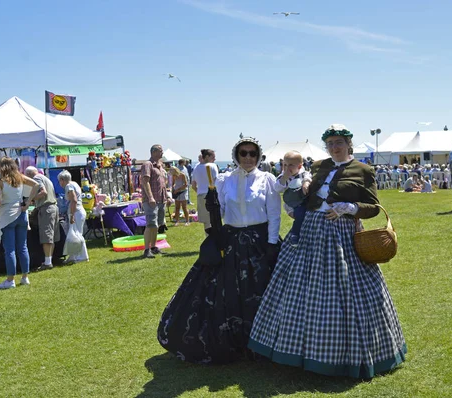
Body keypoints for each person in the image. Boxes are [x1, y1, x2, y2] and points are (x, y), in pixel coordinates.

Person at [248, 124, 406, 378]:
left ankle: (339, 356)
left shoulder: (363, 170)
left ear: (348, 144)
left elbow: (373, 206)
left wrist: (348, 207)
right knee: (297, 287)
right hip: (309, 230)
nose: (334, 147)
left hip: (341, 233)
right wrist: (295, 205)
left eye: (339, 143)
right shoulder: (319, 166)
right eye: (330, 143)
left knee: (343, 289)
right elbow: (304, 191)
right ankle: (294, 349)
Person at [157, 137, 281, 364]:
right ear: (236, 155)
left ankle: (264, 343)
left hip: (260, 242)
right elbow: (221, 213)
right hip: (232, 241)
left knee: (262, 290)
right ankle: (234, 341)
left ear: (258, 155)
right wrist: (213, 206)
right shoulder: (225, 180)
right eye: (243, 153)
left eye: (252, 153)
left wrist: (272, 244)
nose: (248, 158)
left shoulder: (268, 180)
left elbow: (274, 214)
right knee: (231, 291)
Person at [0, 157, 39, 289]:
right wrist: (28, 202)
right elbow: (36, 184)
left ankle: (10, 280)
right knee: (23, 247)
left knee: (10, 250)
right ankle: (25, 277)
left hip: (8, 215)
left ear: (2, 167)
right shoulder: (20, 177)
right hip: (21, 213)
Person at [24, 166, 60, 271]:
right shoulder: (46, 178)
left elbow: (43, 192)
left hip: (46, 208)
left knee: (46, 235)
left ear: (29, 175)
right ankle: (49, 260)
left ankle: (48, 262)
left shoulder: (36, 179)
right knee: (51, 236)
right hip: (53, 207)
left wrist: (31, 199)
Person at [275, 150, 311, 246]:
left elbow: (308, 176)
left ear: (299, 166)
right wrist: (284, 178)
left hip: (305, 200)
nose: (287, 168)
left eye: (291, 165)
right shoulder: (283, 177)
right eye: (285, 165)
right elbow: (277, 188)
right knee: (299, 215)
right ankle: (295, 233)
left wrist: (306, 182)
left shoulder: (303, 174)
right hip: (293, 204)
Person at [140, 144, 168, 258]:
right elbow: (145, 182)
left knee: (157, 225)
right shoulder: (148, 164)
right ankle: (146, 249)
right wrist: (150, 197)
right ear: (154, 152)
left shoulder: (160, 166)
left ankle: (153, 247)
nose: (162, 153)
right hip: (151, 200)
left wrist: (166, 197)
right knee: (151, 224)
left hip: (161, 199)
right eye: (160, 151)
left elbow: (162, 184)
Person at [57, 170, 89, 264]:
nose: (59, 183)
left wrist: (71, 215)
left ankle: (83, 256)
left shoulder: (69, 186)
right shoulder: (75, 183)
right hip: (79, 211)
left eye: (59, 181)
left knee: (77, 235)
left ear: (62, 180)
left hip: (76, 212)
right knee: (74, 234)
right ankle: (73, 256)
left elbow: (74, 200)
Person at [191, 149, 218, 231]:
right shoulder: (213, 166)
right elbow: (217, 181)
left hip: (201, 195)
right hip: (212, 195)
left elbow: (193, 185)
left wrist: (199, 191)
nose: (214, 159)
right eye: (213, 157)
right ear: (207, 156)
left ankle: (209, 239)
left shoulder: (196, 168)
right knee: (214, 219)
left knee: (206, 222)